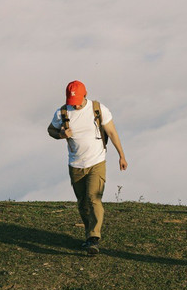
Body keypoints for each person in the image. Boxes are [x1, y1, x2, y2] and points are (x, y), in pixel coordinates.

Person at [47, 80, 128, 255]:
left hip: (97, 162)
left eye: (77, 102)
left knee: (94, 198)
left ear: (86, 94)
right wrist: (61, 134)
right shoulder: (62, 111)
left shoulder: (98, 109)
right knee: (83, 203)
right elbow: (50, 131)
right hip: (75, 164)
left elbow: (112, 132)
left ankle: (94, 237)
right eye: (72, 102)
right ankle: (88, 236)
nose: (74, 106)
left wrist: (121, 155)